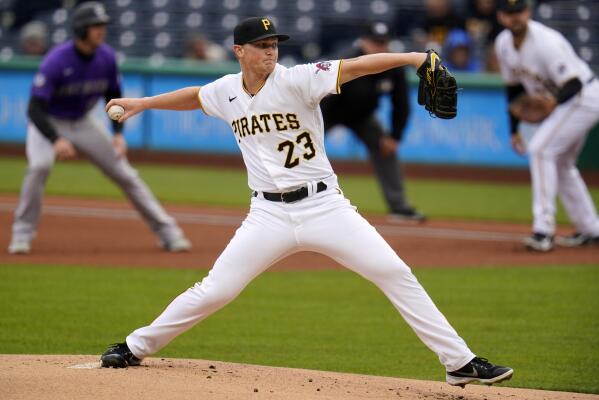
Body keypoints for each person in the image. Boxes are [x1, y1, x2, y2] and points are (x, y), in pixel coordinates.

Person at [99, 16, 513, 388]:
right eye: (262, 45)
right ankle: (135, 346)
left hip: (325, 207)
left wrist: (412, 58)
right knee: (216, 290)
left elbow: (356, 67)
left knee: (394, 271)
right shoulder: (226, 91)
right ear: (239, 51)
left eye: (274, 43)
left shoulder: (298, 78)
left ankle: (459, 362)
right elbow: (196, 95)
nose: (270, 50)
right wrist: (142, 103)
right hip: (267, 214)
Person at [7, 2, 191, 255]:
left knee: (125, 173)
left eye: (103, 26)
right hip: (49, 122)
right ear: (81, 29)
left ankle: (168, 232)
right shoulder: (57, 60)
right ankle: (21, 234)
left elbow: (113, 98)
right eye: (96, 26)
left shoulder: (106, 57)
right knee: (39, 166)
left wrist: (118, 136)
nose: (101, 31)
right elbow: (34, 108)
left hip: (83, 122)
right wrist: (55, 139)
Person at [495, 0, 599, 251]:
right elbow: (514, 89)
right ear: (500, 17)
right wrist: (514, 129)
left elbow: (572, 84)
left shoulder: (545, 42)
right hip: (568, 101)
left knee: (541, 149)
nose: (515, 17)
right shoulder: (503, 44)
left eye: (519, 11)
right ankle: (591, 229)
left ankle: (543, 231)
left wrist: (552, 103)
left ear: (528, 12)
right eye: (509, 13)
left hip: (583, 97)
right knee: (561, 163)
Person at [320, 21, 425, 222]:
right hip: (328, 112)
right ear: (364, 42)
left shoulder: (393, 67)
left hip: (363, 116)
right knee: (304, 151)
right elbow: (324, 97)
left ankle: (399, 207)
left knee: (387, 149)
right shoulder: (347, 59)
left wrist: (395, 136)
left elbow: (401, 103)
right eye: (374, 43)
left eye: (383, 43)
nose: (379, 47)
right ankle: (287, 199)